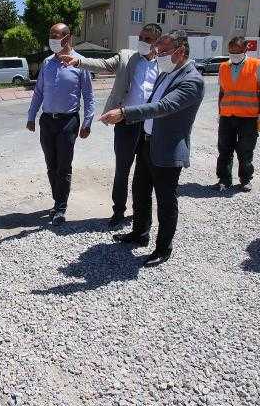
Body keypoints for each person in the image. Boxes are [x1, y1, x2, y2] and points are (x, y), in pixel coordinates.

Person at [98, 32, 205, 266]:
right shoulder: (166, 72)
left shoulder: (191, 80)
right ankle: (139, 233)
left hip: (167, 149)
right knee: (140, 191)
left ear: (181, 50)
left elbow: (163, 106)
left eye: (164, 51)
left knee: (166, 201)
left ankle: (163, 248)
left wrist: (125, 113)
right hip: (147, 142)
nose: (158, 55)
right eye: (158, 50)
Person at [62, 23, 163, 229]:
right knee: (122, 171)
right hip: (125, 122)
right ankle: (118, 211)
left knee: (145, 173)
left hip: (151, 126)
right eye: (141, 37)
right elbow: (103, 64)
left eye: (148, 39)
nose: (142, 42)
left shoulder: (163, 65)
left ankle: (140, 212)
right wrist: (79, 62)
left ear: (157, 43)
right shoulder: (126, 56)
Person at [27, 23, 95, 226]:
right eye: (51, 36)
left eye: (56, 36)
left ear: (67, 38)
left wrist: (88, 122)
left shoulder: (79, 63)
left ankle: (60, 207)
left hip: (68, 121)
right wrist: (31, 116)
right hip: (47, 121)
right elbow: (38, 92)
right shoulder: (47, 63)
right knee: (51, 165)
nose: (52, 40)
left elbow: (89, 96)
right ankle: (57, 200)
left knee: (63, 167)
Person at [215, 36, 260, 192]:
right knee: (224, 149)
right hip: (227, 116)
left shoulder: (257, 65)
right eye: (231, 51)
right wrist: (220, 112)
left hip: (249, 117)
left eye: (237, 51)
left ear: (246, 49)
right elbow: (222, 91)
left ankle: (245, 180)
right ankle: (224, 180)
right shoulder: (223, 67)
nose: (234, 54)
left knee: (245, 150)